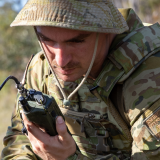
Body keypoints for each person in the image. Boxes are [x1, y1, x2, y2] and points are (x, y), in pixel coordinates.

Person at [1, 0, 160, 159]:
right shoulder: (41, 68)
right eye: (48, 40)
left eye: (76, 41)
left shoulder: (150, 74)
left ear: (107, 31)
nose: (61, 61)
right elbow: (19, 139)